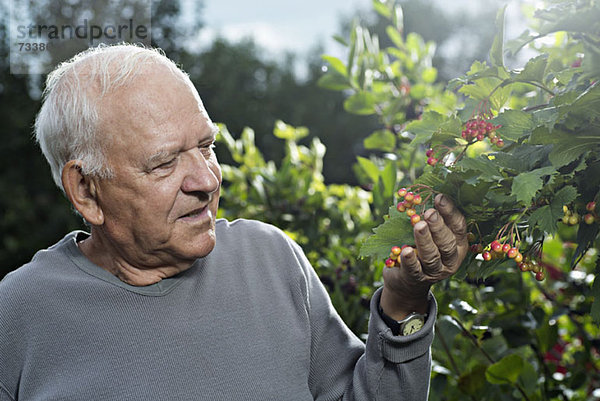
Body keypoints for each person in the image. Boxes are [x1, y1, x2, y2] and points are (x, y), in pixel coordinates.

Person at [0, 44, 467, 401]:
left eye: (206, 147)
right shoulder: (17, 313)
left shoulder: (271, 260)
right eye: (164, 163)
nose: (206, 180)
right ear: (85, 191)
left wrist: (404, 300)